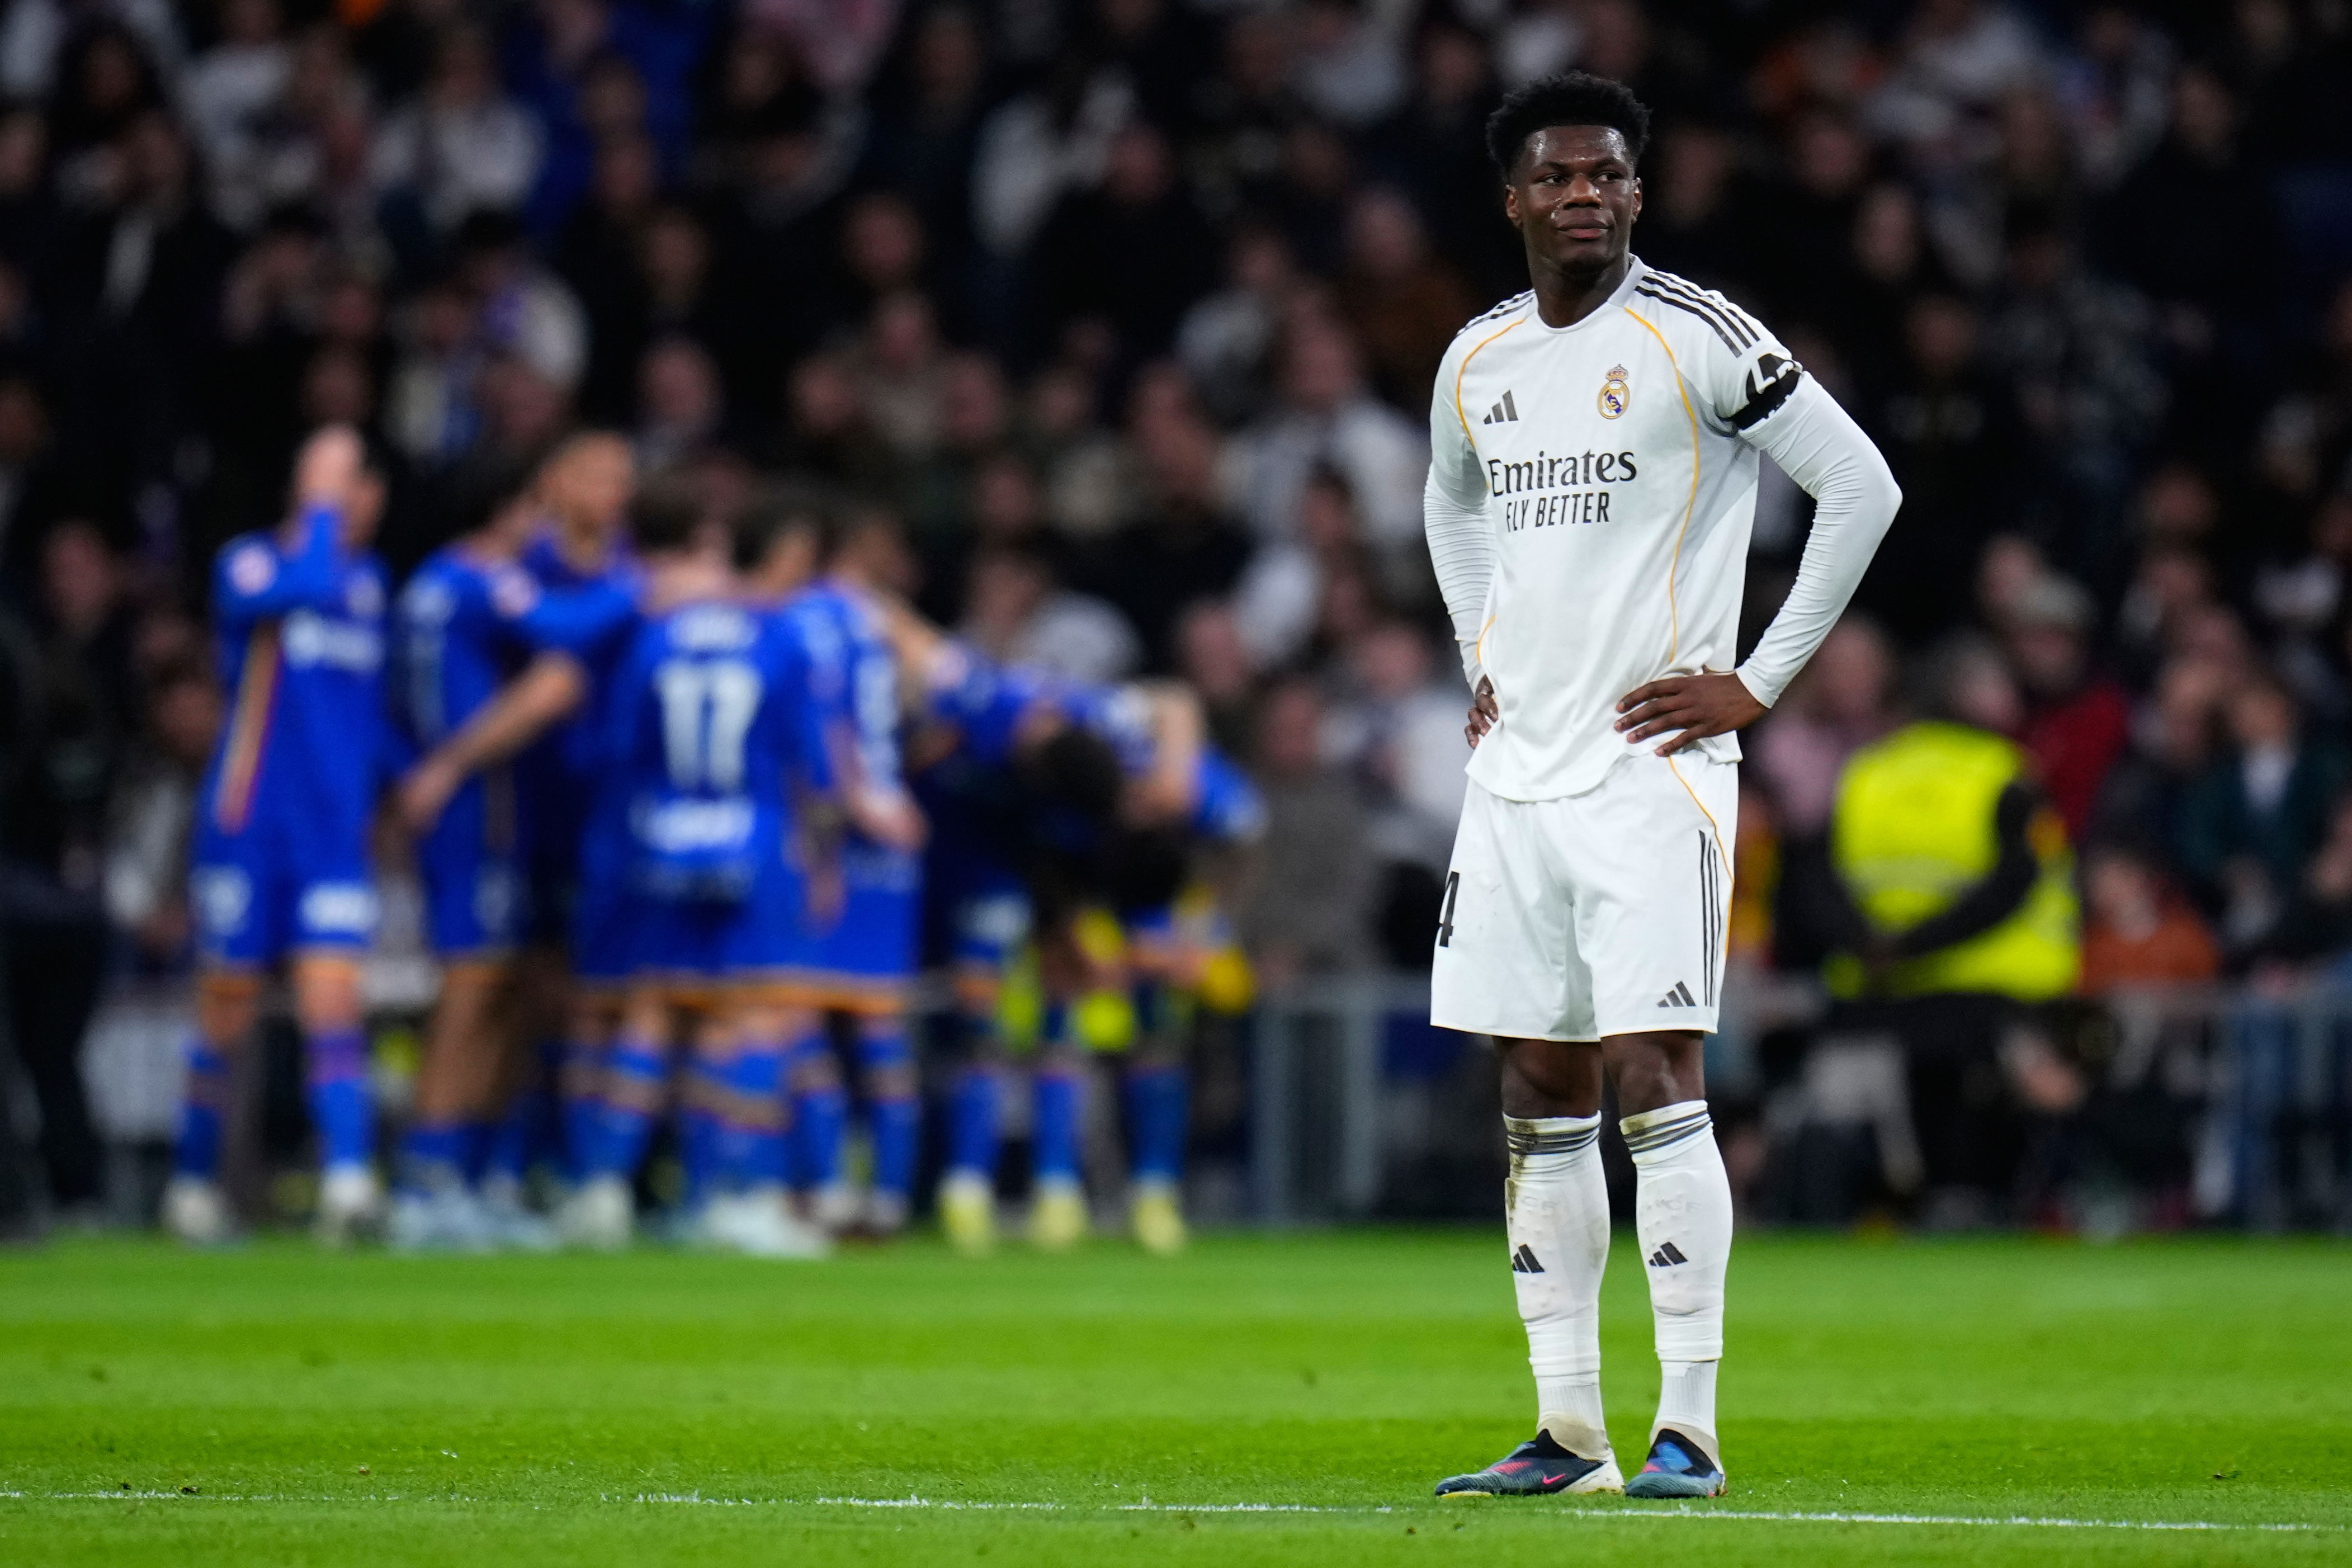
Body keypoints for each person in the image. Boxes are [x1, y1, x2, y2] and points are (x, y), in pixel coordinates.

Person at [1421, 74, 1900, 1500]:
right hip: (1515, 772)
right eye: (1559, 177)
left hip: (1653, 767)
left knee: (1655, 1072)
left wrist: (1758, 679)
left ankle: (1688, 1423)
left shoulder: (1699, 335)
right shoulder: (1479, 357)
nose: (1585, 195)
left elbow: (1860, 485)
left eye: (1609, 176)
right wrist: (1478, 650)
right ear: (1513, 200)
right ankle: (1570, 1435)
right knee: (1536, 1081)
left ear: (1640, 192)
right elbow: (1450, 499)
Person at [554, 481, 832, 1258]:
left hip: (661, 833)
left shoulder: (655, 634)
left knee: (649, 1010)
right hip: (750, 833)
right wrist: (816, 850)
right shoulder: (776, 636)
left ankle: (602, 1190)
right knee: (744, 1017)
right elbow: (806, 759)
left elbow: (614, 750)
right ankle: (731, 1196)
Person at [384, 456, 634, 1250]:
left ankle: (460, 1176)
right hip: (475, 806)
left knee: (493, 988)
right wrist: (645, 586)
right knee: (470, 987)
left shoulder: (426, 583)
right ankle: (427, 1184)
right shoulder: (479, 579)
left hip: (463, 802)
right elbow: (562, 631)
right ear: (511, 509)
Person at [166, 426, 391, 1246]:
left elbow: (364, 714)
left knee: (334, 1002)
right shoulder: (252, 563)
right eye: (350, 488)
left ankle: (348, 1182)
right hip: (248, 825)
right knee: (226, 1009)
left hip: (331, 835)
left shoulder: (370, 584)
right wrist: (322, 505)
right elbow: (297, 588)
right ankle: (190, 1186)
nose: (362, 506)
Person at [745, 504, 928, 1238]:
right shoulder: (886, 625)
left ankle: (822, 1190)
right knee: (882, 1032)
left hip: (829, 837)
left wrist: (841, 810)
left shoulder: (805, 621)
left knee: (800, 1022)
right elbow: (928, 699)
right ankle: (885, 1197)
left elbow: (819, 730)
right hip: (889, 838)